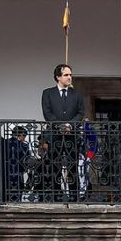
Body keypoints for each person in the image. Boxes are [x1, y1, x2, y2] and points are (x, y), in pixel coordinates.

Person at [41, 64, 84, 201]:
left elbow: (80, 113)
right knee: (54, 165)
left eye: (70, 74)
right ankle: (55, 196)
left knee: (73, 165)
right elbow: (47, 113)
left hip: (72, 135)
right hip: (55, 135)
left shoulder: (76, 94)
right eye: (66, 75)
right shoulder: (47, 93)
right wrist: (61, 126)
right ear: (58, 77)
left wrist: (69, 125)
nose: (69, 77)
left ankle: (74, 196)